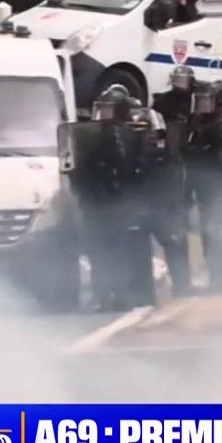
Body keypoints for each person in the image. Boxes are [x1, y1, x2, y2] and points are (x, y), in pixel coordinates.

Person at [73, 87, 149, 311]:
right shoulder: (90, 134)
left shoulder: (133, 135)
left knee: (120, 250)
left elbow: (140, 169)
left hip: (120, 204)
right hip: (97, 203)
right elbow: (81, 169)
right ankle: (101, 294)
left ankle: (122, 294)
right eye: (102, 110)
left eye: (108, 110)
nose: (103, 115)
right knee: (98, 251)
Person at [128, 101, 193, 299]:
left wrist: (172, 206)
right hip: (142, 206)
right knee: (138, 249)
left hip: (163, 207)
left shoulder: (167, 155)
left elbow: (174, 179)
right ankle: (144, 292)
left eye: (148, 131)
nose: (148, 138)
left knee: (174, 244)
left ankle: (182, 288)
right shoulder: (131, 150)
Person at [184, 80, 222, 292]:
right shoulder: (196, 121)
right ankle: (216, 277)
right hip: (202, 188)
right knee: (208, 235)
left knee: (219, 234)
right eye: (198, 101)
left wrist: (198, 154)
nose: (201, 105)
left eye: (206, 101)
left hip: (219, 191)